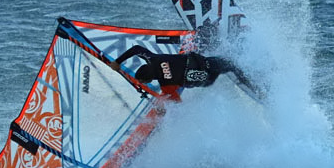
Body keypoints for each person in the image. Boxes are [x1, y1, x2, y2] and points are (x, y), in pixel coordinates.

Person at [112, 45, 262, 100]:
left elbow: (176, 101)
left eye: (144, 82)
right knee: (230, 63)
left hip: (207, 78)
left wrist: (161, 101)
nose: (143, 84)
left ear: (151, 78)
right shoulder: (153, 59)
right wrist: (117, 62)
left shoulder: (166, 85)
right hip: (206, 62)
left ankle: (257, 90)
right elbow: (136, 49)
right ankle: (254, 75)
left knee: (231, 67)